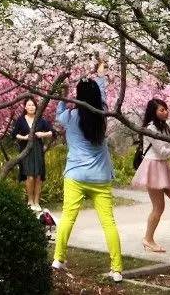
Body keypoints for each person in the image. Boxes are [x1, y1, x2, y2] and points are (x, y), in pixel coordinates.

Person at [52, 57, 124, 284]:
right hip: (100, 176)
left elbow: (59, 111)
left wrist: (64, 93)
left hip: (75, 175)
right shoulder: (101, 115)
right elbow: (101, 96)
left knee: (68, 218)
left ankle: (58, 259)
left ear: (78, 96)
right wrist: (101, 75)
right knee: (108, 222)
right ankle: (117, 269)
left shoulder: (70, 117)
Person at [131, 97, 170, 254]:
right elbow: (163, 151)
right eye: (162, 109)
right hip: (153, 166)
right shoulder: (151, 128)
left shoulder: (165, 127)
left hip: (163, 167)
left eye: (166, 109)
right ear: (154, 112)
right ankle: (148, 238)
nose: (166, 112)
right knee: (159, 207)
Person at [12, 97, 54, 211]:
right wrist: (24, 137)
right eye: (29, 105)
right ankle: (30, 201)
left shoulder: (40, 120)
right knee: (30, 176)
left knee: (38, 176)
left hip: (38, 150)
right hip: (26, 149)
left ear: (36, 107)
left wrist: (42, 134)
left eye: (33, 105)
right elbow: (14, 134)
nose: (31, 107)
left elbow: (51, 132)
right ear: (25, 107)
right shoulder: (21, 120)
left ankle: (37, 201)